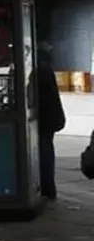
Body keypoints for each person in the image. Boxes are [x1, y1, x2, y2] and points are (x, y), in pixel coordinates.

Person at [35, 42, 66, 199]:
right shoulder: (46, 71)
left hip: (46, 120)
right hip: (50, 119)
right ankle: (48, 187)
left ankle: (48, 188)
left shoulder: (41, 72)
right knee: (46, 150)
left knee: (44, 151)